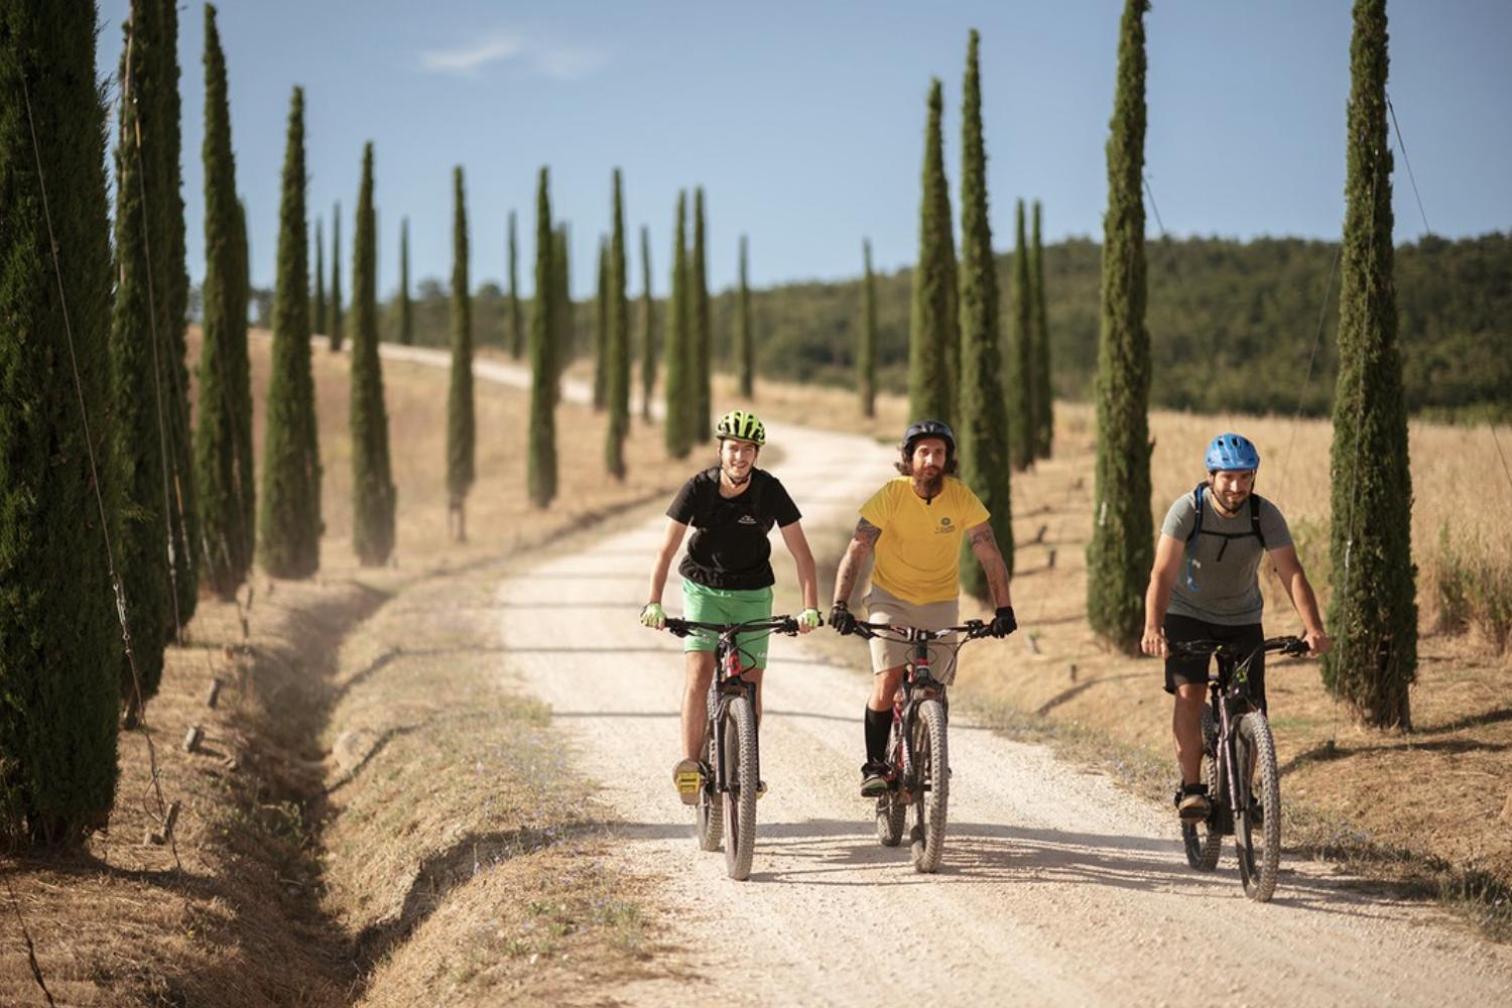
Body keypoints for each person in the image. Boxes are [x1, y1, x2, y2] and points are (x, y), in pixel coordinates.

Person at [1140, 432, 1331, 823]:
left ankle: (1242, 794)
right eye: (1228, 477)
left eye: (1245, 477)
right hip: (1187, 613)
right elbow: (1162, 573)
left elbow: (1290, 571)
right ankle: (1192, 788)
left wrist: (1313, 627)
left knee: (1251, 706)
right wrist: (1153, 627)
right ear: (1211, 476)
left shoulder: (1264, 515)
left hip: (1242, 617)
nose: (1237, 487)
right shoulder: (1187, 510)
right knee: (1190, 693)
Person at [640, 409, 821, 802]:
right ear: (720, 450)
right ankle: (691, 765)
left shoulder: (769, 490)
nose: (740, 457)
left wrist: (810, 608)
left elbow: (802, 554)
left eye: (748, 450)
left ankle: (745, 766)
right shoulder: (698, 488)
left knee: (751, 685)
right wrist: (653, 601)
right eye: (733, 448)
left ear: (757, 454)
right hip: (703, 588)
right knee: (700, 670)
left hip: (753, 593)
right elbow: (665, 550)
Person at [828, 419, 1017, 797]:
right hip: (890, 598)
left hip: (940, 601)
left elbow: (988, 552)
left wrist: (1004, 608)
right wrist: (840, 604)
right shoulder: (891, 494)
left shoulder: (961, 497)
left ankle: (931, 746)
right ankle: (875, 765)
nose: (931, 459)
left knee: (935, 685)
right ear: (909, 457)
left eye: (939, 453)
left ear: (949, 460)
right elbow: (858, 548)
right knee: (888, 679)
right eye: (924, 452)